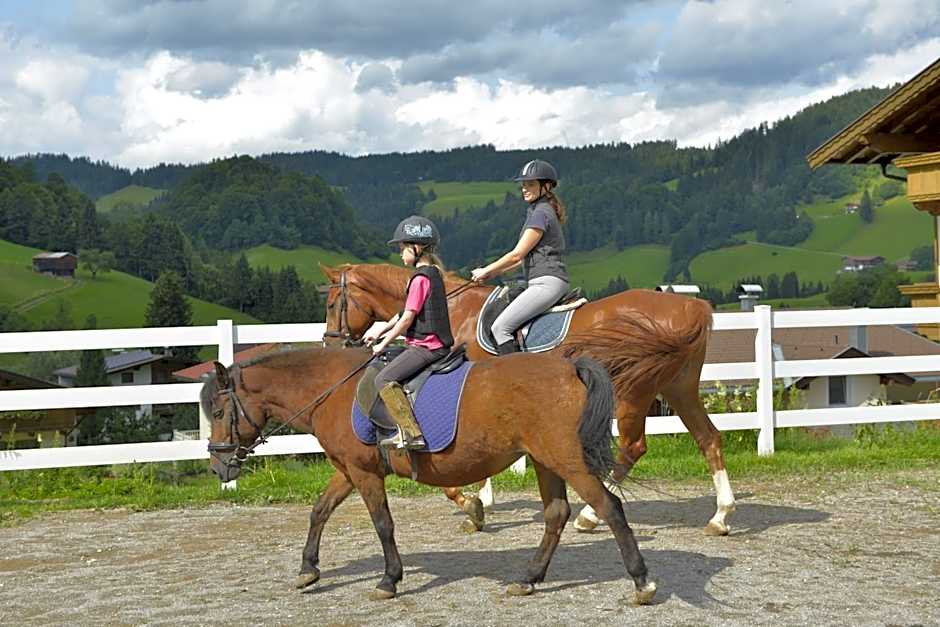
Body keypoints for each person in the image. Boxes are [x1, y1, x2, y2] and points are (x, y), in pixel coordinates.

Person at [364, 215, 454, 449]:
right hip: (435, 344)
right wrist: (380, 330)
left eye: (404, 247)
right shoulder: (432, 273)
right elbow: (403, 311)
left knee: (383, 378)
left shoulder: (419, 279)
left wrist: (382, 345)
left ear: (418, 247)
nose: (401, 253)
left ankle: (411, 434)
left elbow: (406, 320)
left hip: (427, 347)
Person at [471, 159, 569, 355]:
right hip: (541, 281)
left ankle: (516, 378)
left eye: (530, 184)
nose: (524, 189)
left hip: (545, 283)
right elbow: (520, 260)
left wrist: (486, 270)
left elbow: (517, 255)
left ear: (546, 186)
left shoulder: (541, 213)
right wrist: (489, 275)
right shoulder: (538, 211)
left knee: (500, 328)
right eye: (523, 185)